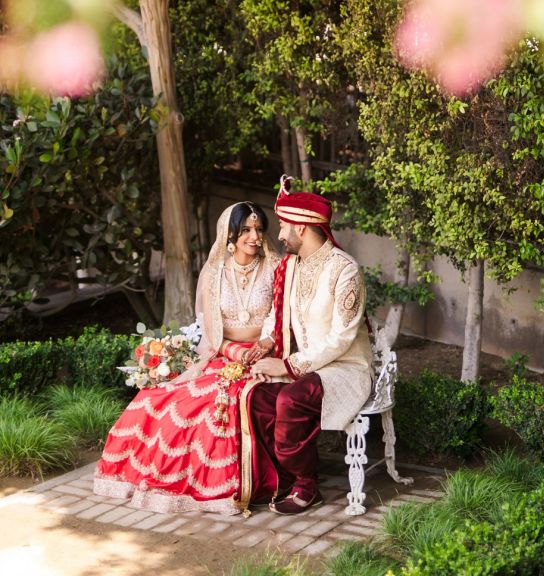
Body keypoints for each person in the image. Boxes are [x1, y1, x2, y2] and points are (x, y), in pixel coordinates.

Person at [93, 202, 280, 514]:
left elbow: (279, 316)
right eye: (246, 229)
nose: (254, 235)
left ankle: (217, 488)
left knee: (215, 410)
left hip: (264, 358)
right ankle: (150, 482)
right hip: (224, 355)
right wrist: (235, 352)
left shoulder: (276, 266)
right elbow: (211, 330)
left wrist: (265, 343)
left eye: (258, 229)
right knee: (157, 400)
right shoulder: (214, 273)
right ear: (230, 233)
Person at [249, 176, 374, 515]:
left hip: (344, 369)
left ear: (302, 227)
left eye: (283, 225)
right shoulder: (291, 266)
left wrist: (288, 366)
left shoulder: (344, 269)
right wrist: (266, 342)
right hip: (308, 368)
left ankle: (307, 485)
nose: (279, 234)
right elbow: (278, 315)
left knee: (290, 399)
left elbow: (342, 337)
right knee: (258, 397)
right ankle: (279, 479)